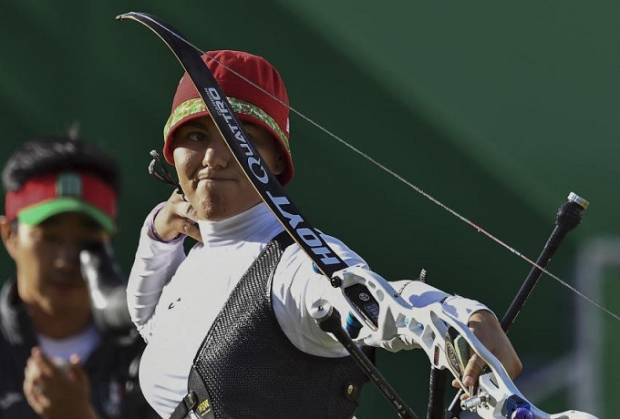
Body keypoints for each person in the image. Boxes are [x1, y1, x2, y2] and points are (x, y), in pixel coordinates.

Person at [127, 50, 522, 419]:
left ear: (276, 158)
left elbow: (373, 301)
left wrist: (461, 316)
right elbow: (150, 322)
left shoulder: (297, 266)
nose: (214, 156)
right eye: (196, 136)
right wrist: (158, 235)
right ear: (170, 152)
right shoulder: (199, 255)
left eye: (238, 137)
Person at [0, 136, 158, 419]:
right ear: (9, 235)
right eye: (49, 237)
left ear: (109, 237)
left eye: (87, 240)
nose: (66, 260)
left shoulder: (152, 350)